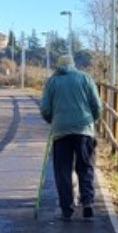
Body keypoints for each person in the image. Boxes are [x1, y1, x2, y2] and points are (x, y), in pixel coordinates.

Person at [39, 54, 102, 220]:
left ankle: (67, 208)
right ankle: (87, 202)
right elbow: (97, 105)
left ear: (58, 66)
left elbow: (45, 108)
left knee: (63, 171)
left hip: (61, 131)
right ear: (73, 65)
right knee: (85, 166)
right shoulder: (85, 78)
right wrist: (92, 119)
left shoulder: (52, 82)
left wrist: (52, 120)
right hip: (84, 129)